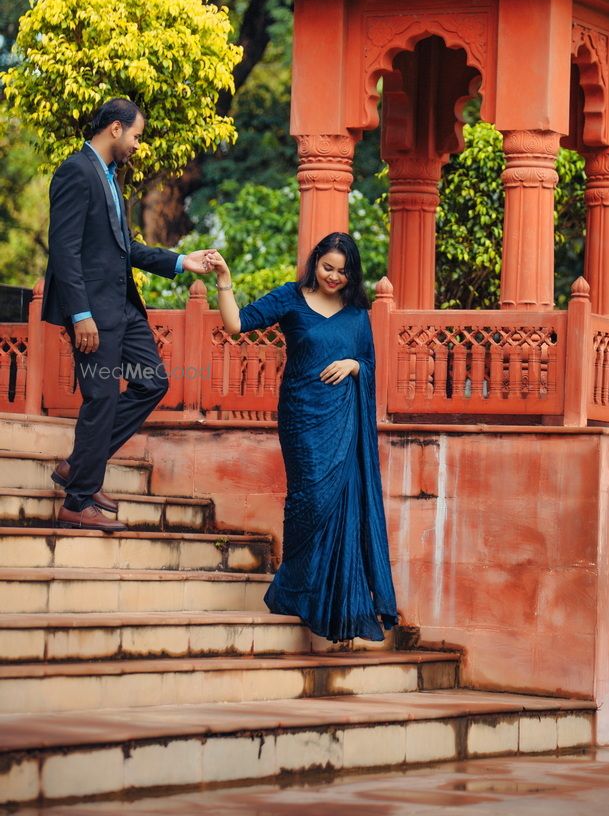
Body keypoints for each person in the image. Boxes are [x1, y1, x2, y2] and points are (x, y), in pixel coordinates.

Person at [205, 233, 398, 644]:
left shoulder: (357, 314)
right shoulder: (290, 298)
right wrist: (224, 279)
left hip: (343, 422)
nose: (335, 276)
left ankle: (330, 604)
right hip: (301, 418)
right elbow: (236, 324)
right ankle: (296, 594)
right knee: (307, 501)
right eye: (328, 267)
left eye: (343, 271)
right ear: (315, 263)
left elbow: (369, 363)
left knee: (339, 506)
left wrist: (352, 364)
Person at [42, 97, 212, 532]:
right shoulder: (75, 172)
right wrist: (80, 314)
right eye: (136, 135)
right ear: (115, 128)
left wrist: (180, 262)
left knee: (153, 382)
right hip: (93, 313)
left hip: (124, 309)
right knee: (100, 398)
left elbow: (127, 248)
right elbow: (65, 250)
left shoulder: (111, 178)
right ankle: (78, 500)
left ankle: (80, 465)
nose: (139, 144)